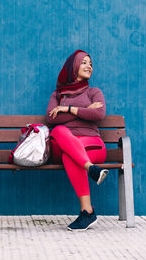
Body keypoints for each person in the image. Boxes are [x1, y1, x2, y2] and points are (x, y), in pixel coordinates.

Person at [45, 50, 109, 231]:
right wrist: (84, 110)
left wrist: (68, 109)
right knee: (59, 130)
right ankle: (91, 169)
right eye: (84, 63)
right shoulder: (58, 95)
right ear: (73, 67)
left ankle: (87, 212)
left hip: (93, 145)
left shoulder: (94, 92)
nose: (89, 66)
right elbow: (52, 119)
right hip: (65, 143)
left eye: (91, 63)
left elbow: (98, 113)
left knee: (70, 156)